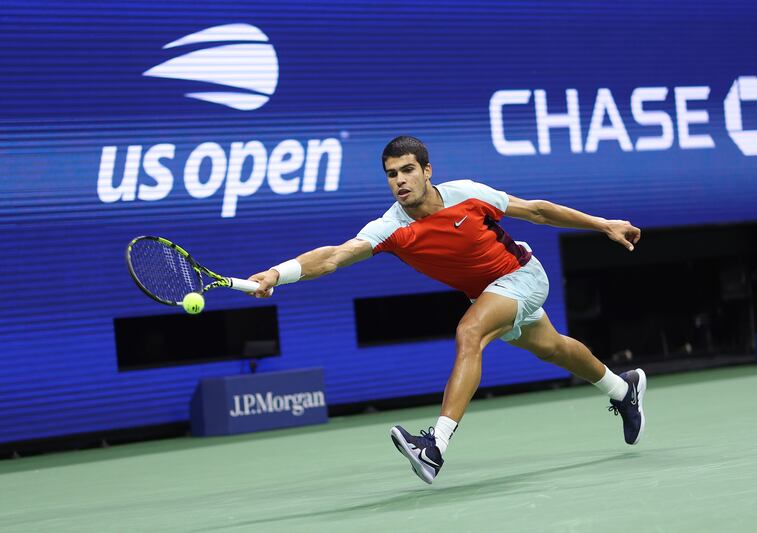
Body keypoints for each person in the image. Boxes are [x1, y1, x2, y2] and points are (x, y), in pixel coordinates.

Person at [248, 136, 646, 484]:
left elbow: (537, 211)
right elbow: (335, 256)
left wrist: (602, 224)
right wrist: (278, 274)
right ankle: (622, 389)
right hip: (487, 292)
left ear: (427, 171)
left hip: (522, 275)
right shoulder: (391, 227)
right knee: (553, 347)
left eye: (407, 170)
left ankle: (434, 447)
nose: (400, 180)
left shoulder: (468, 194)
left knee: (469, 332)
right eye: (391, 174)